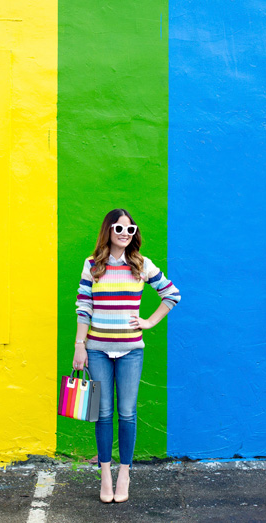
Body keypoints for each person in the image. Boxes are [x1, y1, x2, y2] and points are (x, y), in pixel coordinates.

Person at [73, 208, 181, 504]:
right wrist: (79, 345)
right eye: (119, 229)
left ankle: (125, 473)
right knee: (103, 413)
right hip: (96, 349)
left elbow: (171, 294)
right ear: (108, 231)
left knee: (127, 413)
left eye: (129, 230)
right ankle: (105, 474)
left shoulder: (141, 265)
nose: (124, 234)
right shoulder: (93, 265)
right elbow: (84, 307)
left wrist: (149, 322)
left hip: (131, 350)